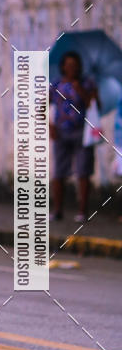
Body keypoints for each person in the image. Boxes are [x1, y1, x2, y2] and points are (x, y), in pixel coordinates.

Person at [49, 50, 99, 223]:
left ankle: (82, 212)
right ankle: (57, 211)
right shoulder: (56, 85)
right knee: (59, 173)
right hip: (61, 132)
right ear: (63, 67)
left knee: (83, 172)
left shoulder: (87, 83)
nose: (72, 68)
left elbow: (95, 105)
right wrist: (50, 126)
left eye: (75, 65)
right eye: (68, 65)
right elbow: (41, 107)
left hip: (82, 132)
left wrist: (81, 91)